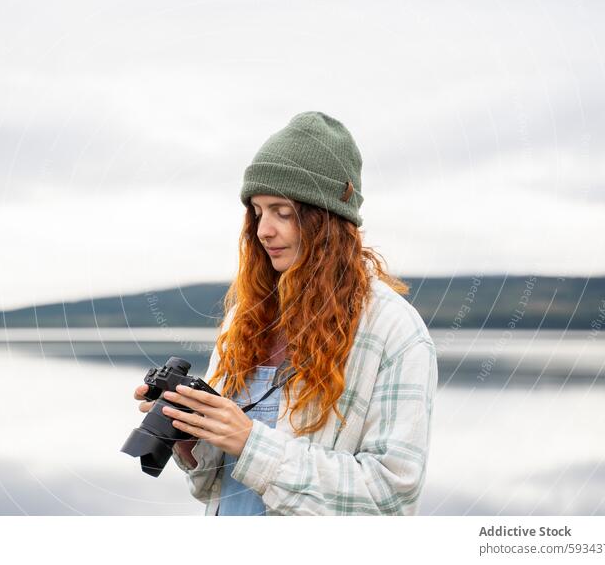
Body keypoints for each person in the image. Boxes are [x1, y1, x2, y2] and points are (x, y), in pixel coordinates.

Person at [133, 111, 438, 516]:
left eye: (282, 211)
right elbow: (213, 486)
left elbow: (391, 496)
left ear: (327, 219)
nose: (263, 230)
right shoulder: (246, 319)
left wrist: (250, 442)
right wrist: (190, 433)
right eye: (258, 212)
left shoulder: (395, 331)